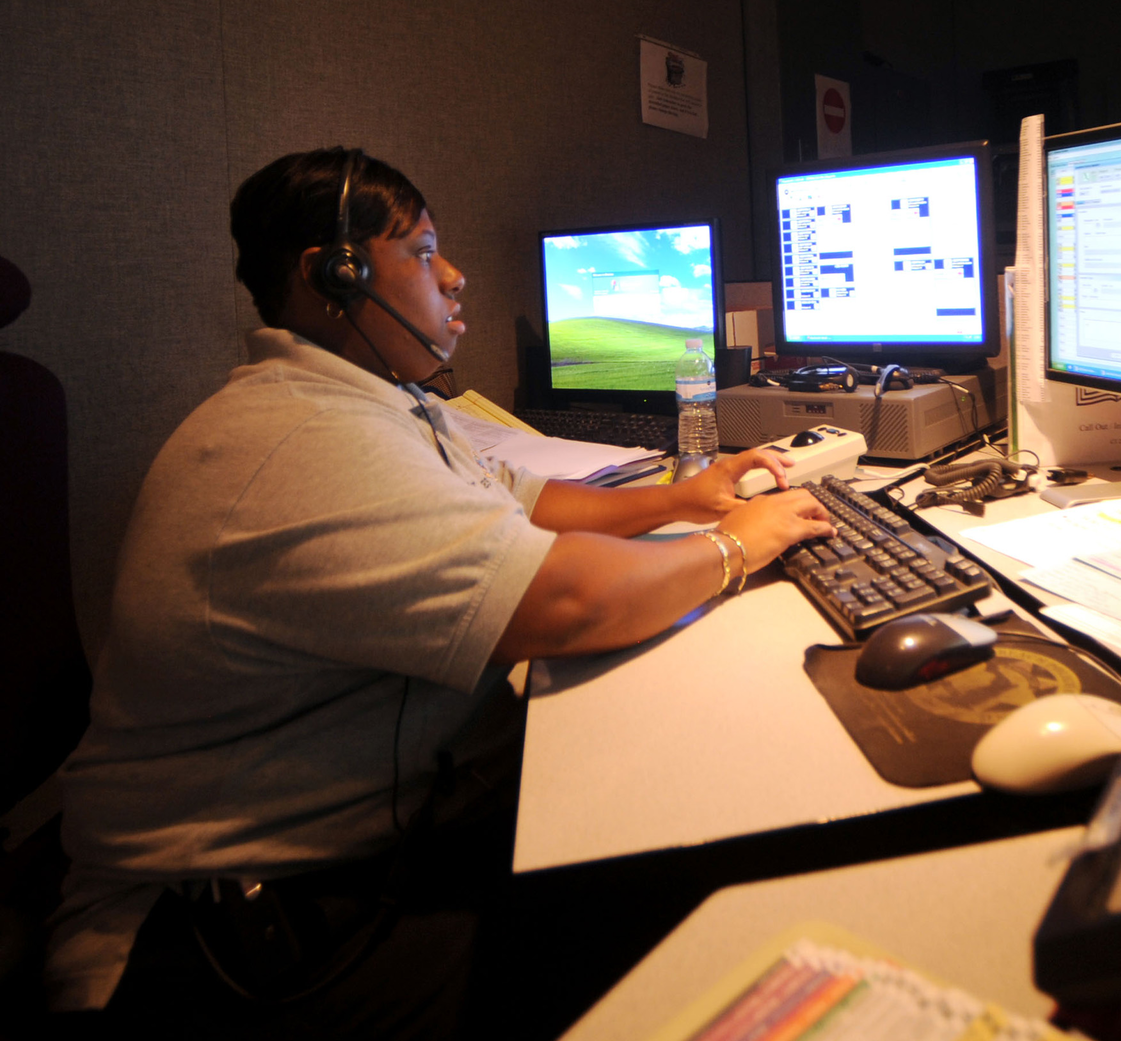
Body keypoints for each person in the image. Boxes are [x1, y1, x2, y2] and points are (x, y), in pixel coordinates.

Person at [43, 148, 834, 1037]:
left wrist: (684, 498)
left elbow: (520, 496)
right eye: (421, 253)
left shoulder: (379, 402)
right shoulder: (304, 437)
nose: (454, 278)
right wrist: (736, 545)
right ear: (333, 278)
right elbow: (566, 603)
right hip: (229, 936)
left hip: (346, 856)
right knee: (690, 914)